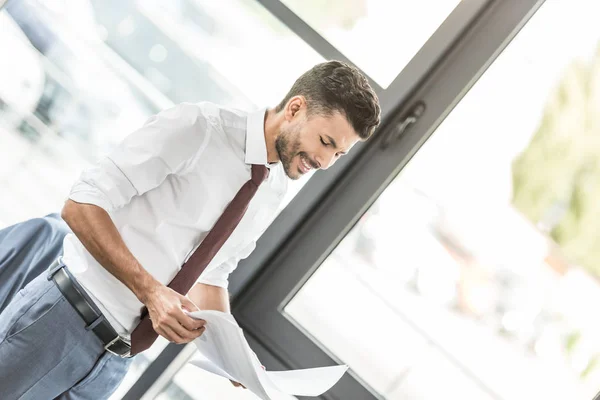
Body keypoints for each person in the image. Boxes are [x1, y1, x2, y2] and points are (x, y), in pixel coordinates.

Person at [0, 60, 380, 399]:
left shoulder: (273, 188)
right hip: (62, 322)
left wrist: (238, 359)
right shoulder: (200, 129)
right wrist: (152, 293)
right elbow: (82, 204)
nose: (325, 161)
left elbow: (212, 272)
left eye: (339, 154)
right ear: (295, 108)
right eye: (326, 142)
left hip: (113, 363)